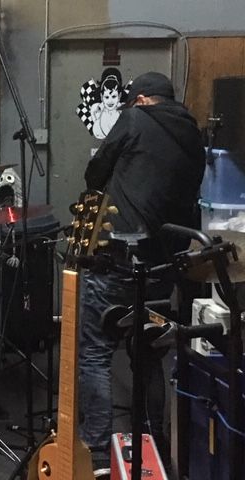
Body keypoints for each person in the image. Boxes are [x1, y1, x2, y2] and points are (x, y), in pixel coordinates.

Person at [79, 72, 205, 471]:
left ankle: (98, 451)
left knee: (95, 352)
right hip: (164, 265)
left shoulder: (134, 119)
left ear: (142, 100)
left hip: (119, 258)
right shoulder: (194, 136)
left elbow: (95, 173)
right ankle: (153, 444)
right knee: (149, 354)